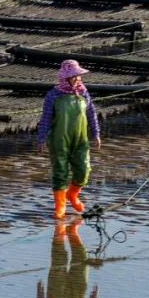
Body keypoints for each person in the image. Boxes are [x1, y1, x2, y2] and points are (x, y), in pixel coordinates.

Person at [37, 59, 101, 219]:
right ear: (65, 78)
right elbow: (45, 118)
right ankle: (60, 207)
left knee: (83, 170)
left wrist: (96, 133)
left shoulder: (84, 93)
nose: (77, 79)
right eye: (73, 76)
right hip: (59, 140)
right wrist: (41, 138)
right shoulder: (53, 95)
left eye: (78, 76)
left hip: (80, 139)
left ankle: (71, 195)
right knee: (60, 172)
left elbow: (91, 114)